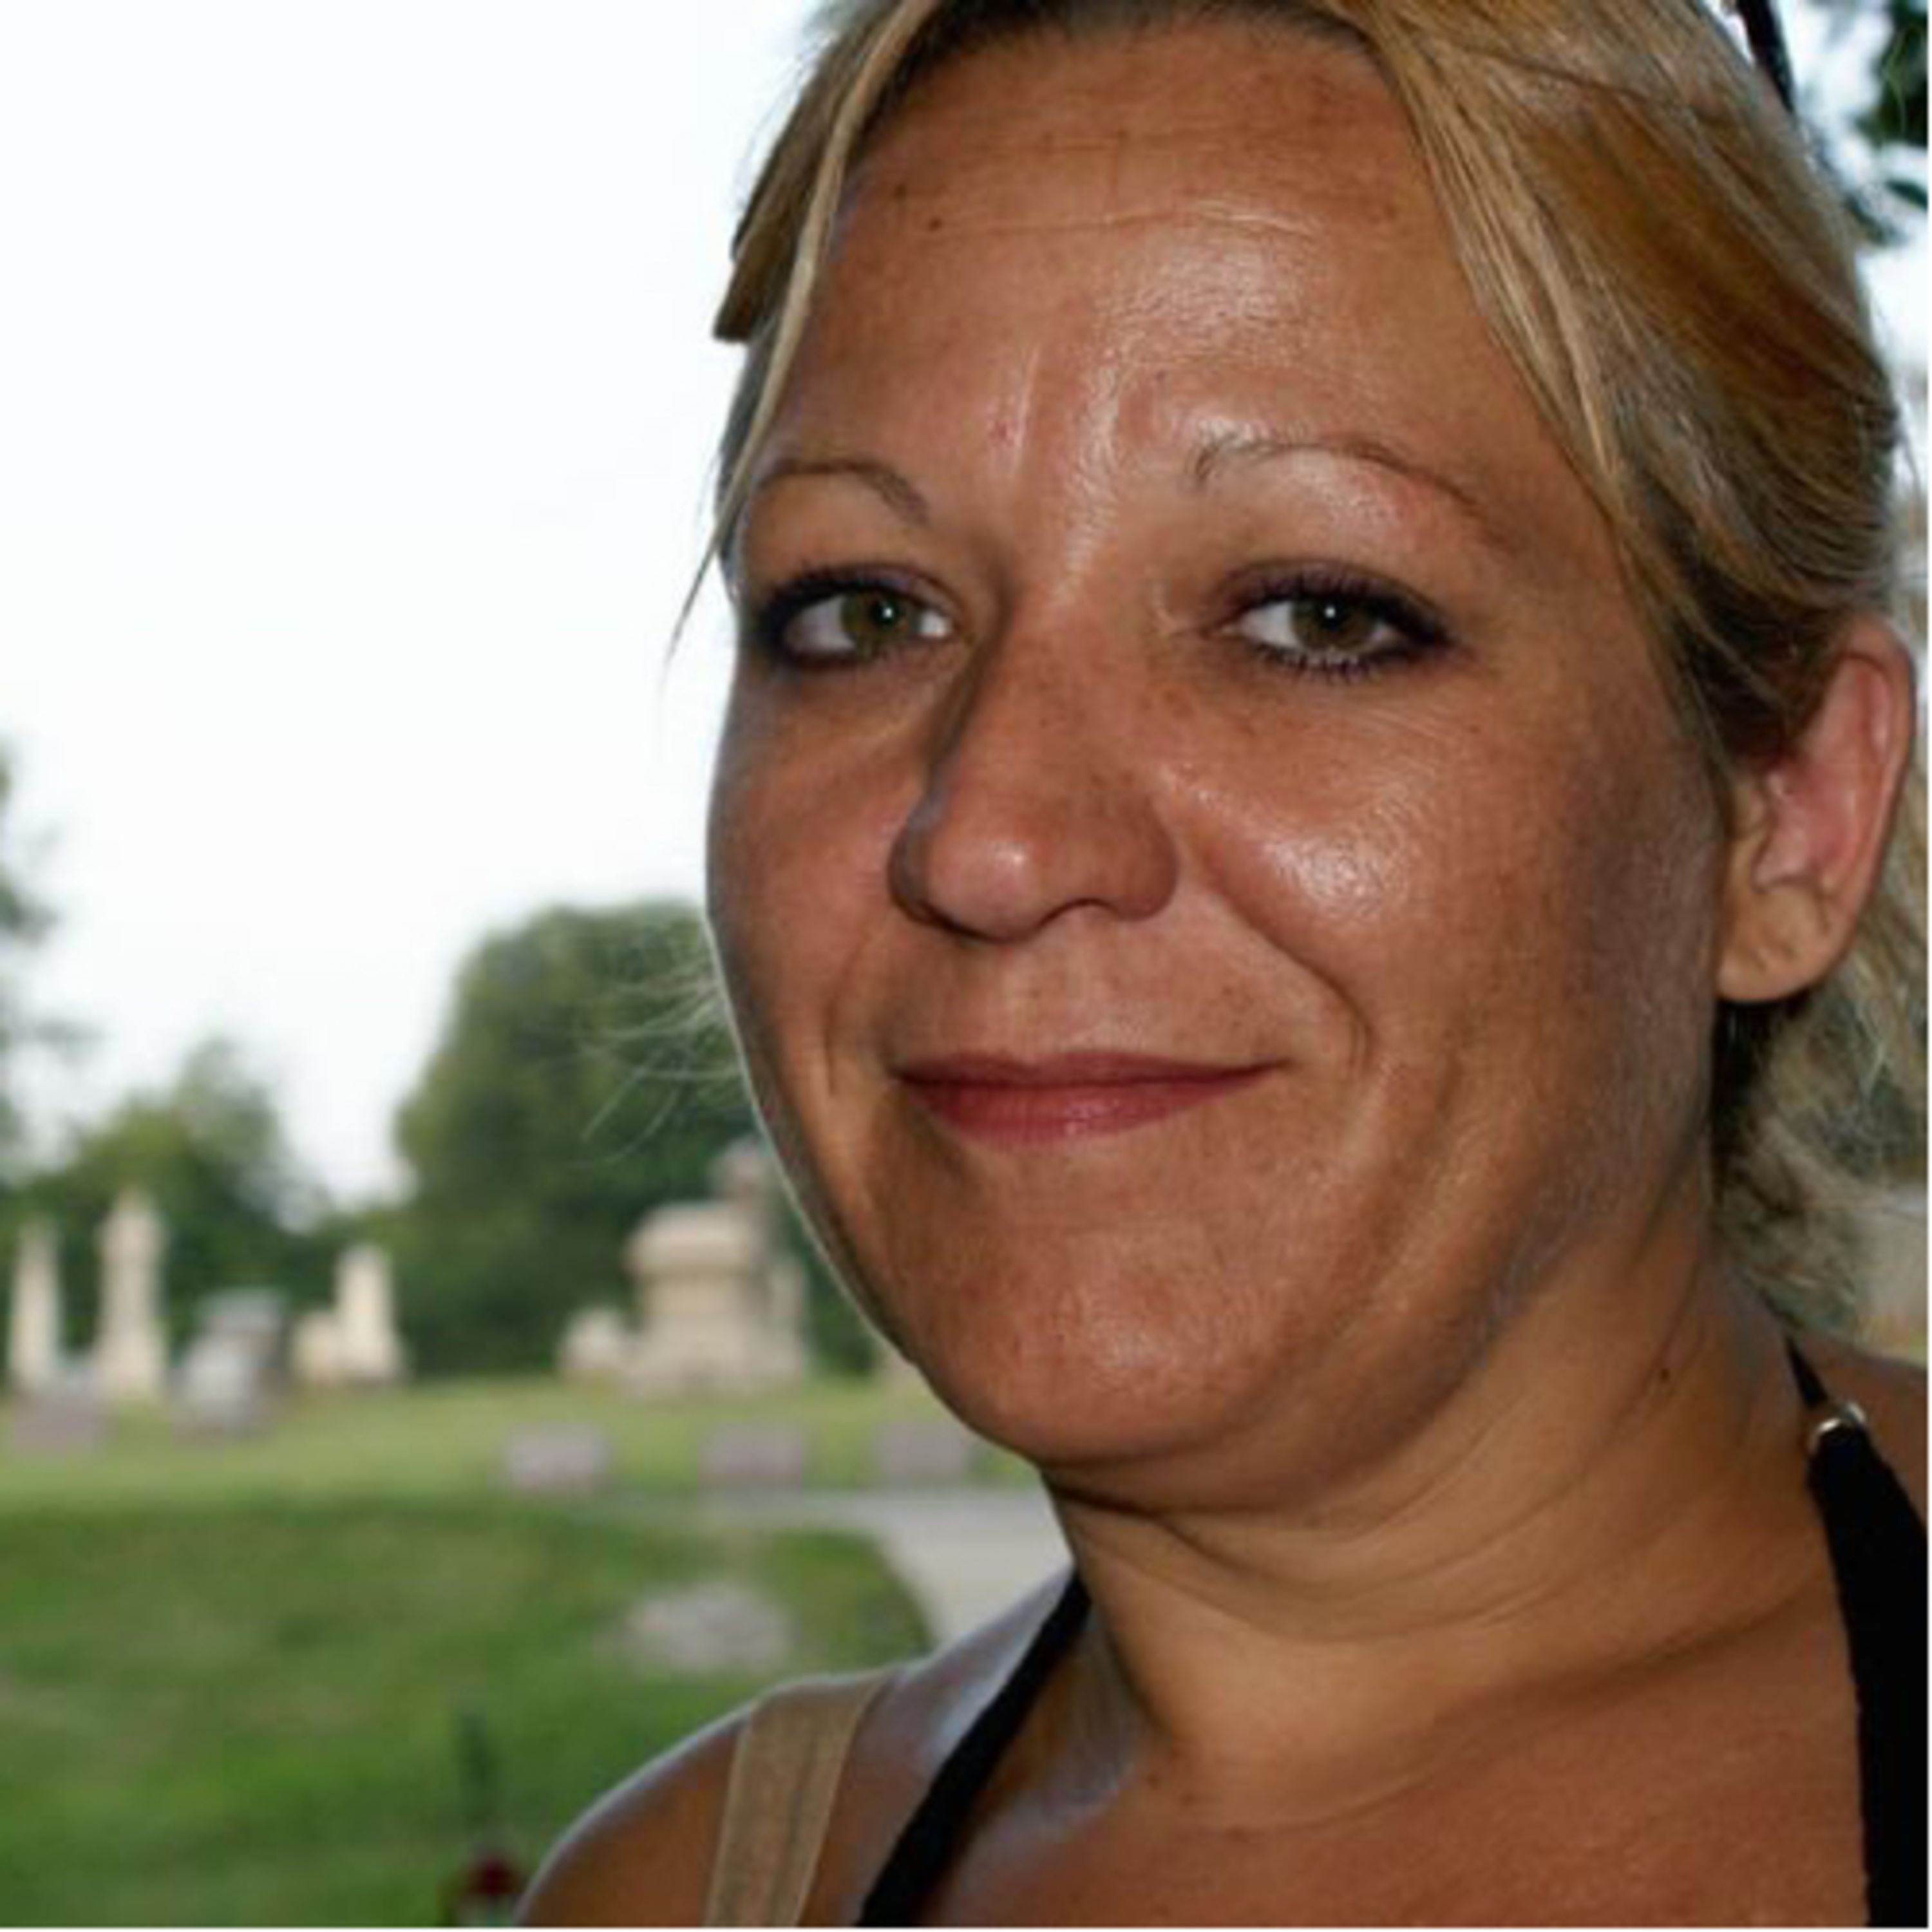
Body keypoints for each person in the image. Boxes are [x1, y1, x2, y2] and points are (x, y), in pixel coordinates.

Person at [522, 0, 1926, 1922]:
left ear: (1787, 814)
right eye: (867, 614)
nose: (990, 840)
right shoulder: (689, 1893)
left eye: (1316, 617)